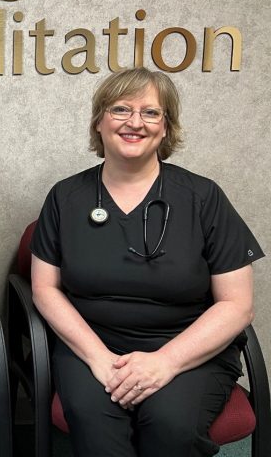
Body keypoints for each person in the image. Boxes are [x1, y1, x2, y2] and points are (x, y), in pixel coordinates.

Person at [30, 67, 264, 457]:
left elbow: (237, 304)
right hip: (92, 345)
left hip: (187, 347)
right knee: (94, 423)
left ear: (166, 127)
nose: (135, 122)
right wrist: (99, 359)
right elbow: (44, 288)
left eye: (151, 113)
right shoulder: (66, 197)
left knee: (171, 423)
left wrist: (165, 362)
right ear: (99, 121)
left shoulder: (203, 197)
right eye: (121, 109)